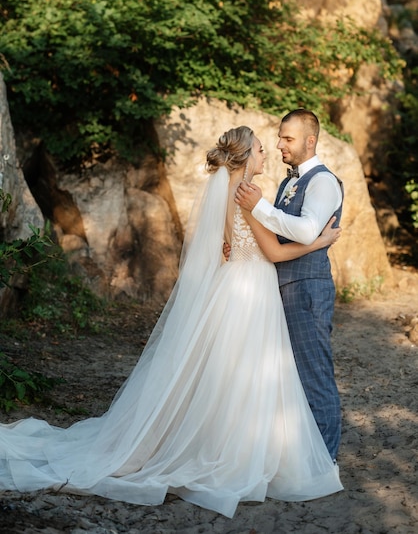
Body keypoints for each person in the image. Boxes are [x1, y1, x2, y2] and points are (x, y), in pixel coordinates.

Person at [0, 126, 343, 519]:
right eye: (262, 150)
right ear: (246, 156)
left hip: (235, 289)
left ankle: (221, 440)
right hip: (252, 290)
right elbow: (274, 253)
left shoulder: (227, 193)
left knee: (227, 373)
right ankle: (234, 451)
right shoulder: (247, 197)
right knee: (244, 373)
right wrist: (318, 242)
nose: (267, 156)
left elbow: (227, 247)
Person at [234, 109, 344, 462]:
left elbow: (306, 231)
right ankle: (300, 453)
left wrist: (260, 207)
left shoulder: (323, 182)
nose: (280, 144)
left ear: (310, 141)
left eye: (288, 139)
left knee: (314, 376)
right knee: (290, 379)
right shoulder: (288, 181)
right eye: (279, 137)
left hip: (307, 290)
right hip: (280, 288)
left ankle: (324, 460)